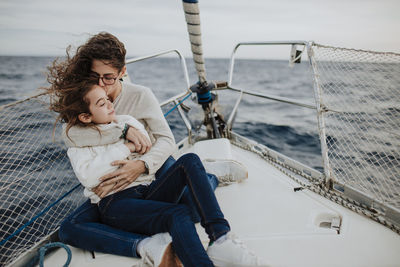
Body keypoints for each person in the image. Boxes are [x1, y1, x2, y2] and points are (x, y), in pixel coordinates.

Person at [47, 32, 264, 266]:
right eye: (95, 76)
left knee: (190, 202)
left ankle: (212, 189)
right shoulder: (87, 98)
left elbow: (165, 141)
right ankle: (148, 242)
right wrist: (122, 133)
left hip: (154, 167)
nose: (101, 84)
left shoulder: (139, 97)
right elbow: (72, 135)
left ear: (122, 73)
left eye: (108, 77)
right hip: (116, 189)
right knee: (70, 229)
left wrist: (141, 164)